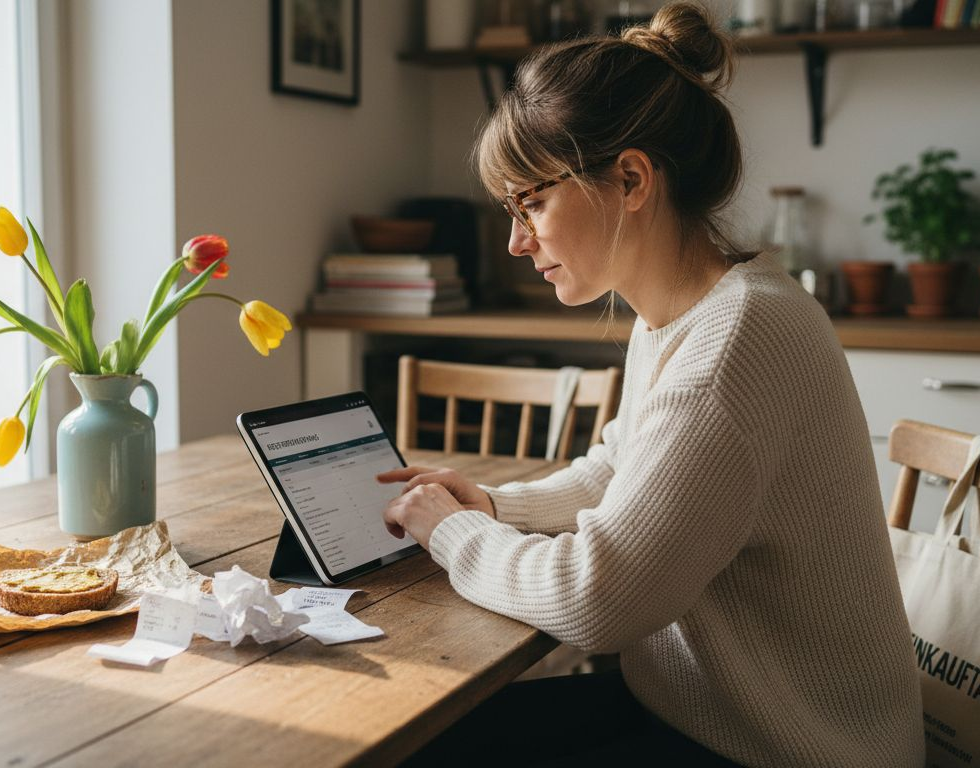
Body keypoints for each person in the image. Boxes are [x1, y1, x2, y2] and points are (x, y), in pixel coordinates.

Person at [377, 3, 924, 765]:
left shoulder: (736, 342)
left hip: (784, 749)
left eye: (532, 203)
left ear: (631, 179)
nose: (515, 241)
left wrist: (452, 532)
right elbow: (622, 469)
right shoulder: (691, 312)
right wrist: (496, 506)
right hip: (700, 712)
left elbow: (596, 601)